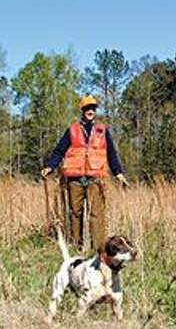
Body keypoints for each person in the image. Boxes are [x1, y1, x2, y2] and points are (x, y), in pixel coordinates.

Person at [41, 95, 128, 251]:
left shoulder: (103, 130)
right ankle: (76, 247)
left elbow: (111, 154)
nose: (90, 111)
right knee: (75, 213)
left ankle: (99, 250)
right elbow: (59, 151)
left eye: (93, 108)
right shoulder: (72, 130)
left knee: (97, 215)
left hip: (96, 179)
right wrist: (50, 166)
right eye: (87, 108)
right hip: (75, 179)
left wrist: (118, 173)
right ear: (82, 110)